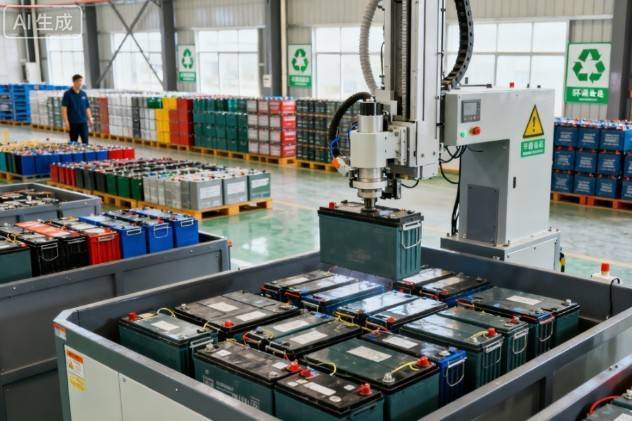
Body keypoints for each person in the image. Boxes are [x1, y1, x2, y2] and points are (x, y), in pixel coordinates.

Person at [61, 74, 93, 144]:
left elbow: (87, 107)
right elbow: (64, 109)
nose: (80, 83)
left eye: (81, 81)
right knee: (73, 143)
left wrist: (90, 118)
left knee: (85, 142)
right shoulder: (67, 94)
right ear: (74, 82)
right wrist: (66, 122)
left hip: (83, 122)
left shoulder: (83, 94)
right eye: (79, 81)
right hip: (73, 123)